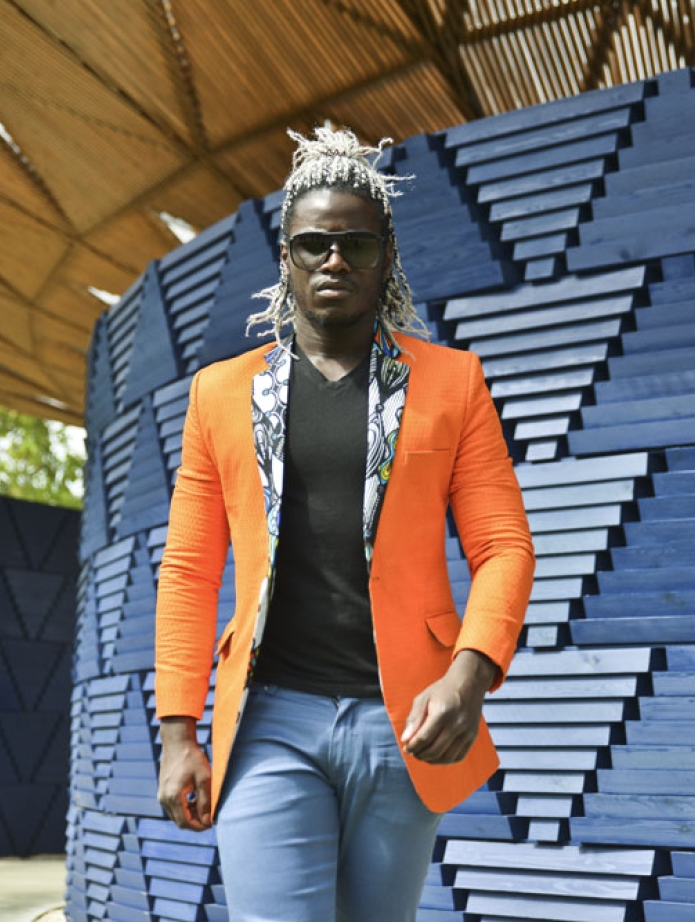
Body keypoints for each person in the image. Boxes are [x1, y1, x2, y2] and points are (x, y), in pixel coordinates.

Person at [154, 126, 534, 921]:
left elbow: (502, 546)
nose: (334, 261)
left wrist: (468, 677)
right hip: (268, 719)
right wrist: (178, 730)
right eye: (314, 244)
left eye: (356, 245)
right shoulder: (218, 394)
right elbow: (188, 568)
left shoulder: (453, 383)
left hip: (405, 718)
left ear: (385, 258)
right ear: (286, 258)